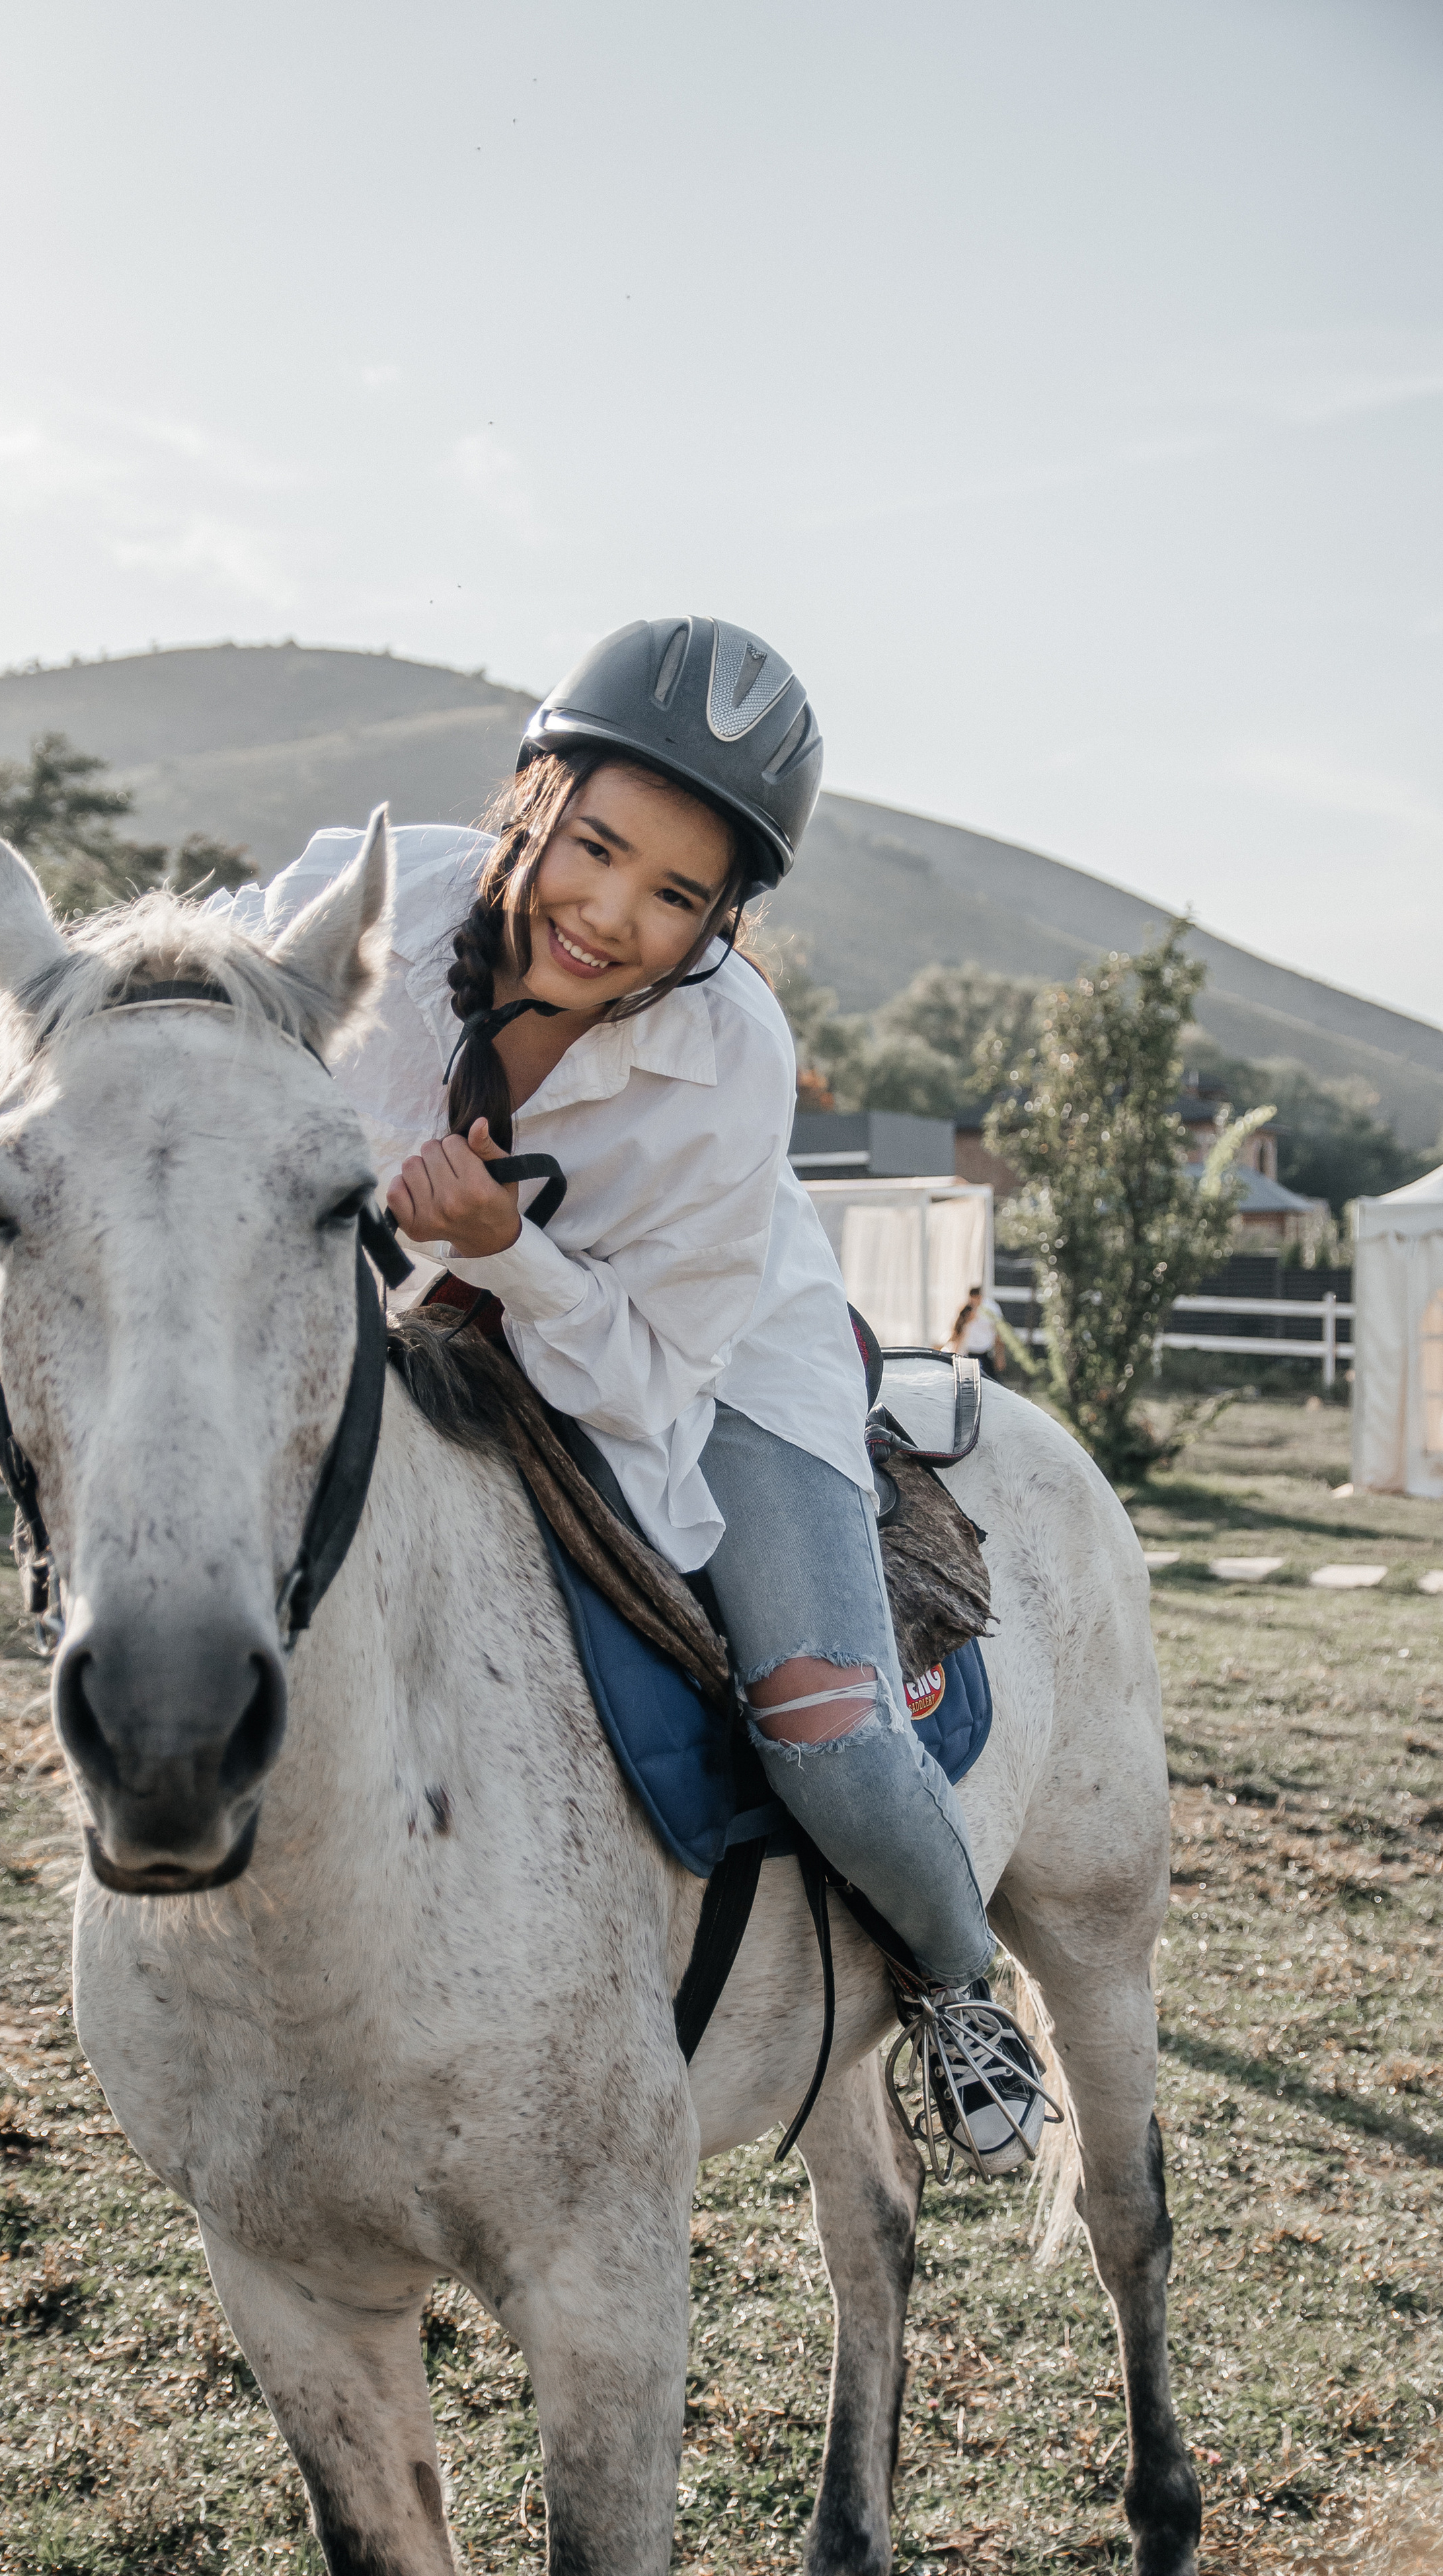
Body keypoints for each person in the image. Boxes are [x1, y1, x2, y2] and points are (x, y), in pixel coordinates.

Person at [208, 618, 1042, 2173]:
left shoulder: (729, 1053)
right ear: (531, 796)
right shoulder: (371, 899)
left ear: (726, 911)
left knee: (821, 1722)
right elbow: (198, 995)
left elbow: (650, 1377)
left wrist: (506, 1247)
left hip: (706, 1355)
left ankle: (955, 1980)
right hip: (421, 1323)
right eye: (593, 847)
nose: (609, 914)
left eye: (675, 894)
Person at [947, 1283, 1006, 1380]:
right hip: (968, 1351)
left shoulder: (991, 1309)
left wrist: (1000, 1356)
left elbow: (998, 1333)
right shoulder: (966, 1310)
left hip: (986, 1350)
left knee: (991, 1379)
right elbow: (958, 1331)